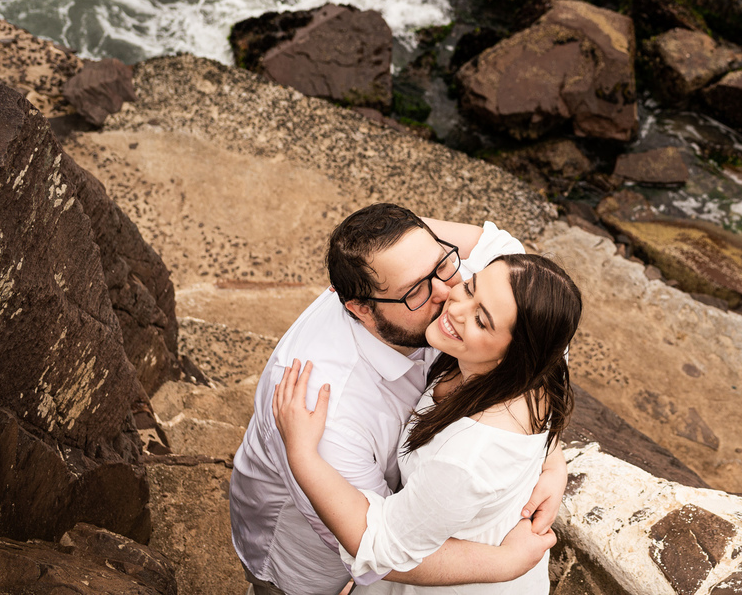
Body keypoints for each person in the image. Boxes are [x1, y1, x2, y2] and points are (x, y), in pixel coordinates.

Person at [230, 204, 565, 595]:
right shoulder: (327, 413)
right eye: (416, 291)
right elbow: (379, 544)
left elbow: (531, 307)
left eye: (443, 265)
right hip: (306, 551)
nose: (448, 295)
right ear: (360, 308)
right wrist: (508, 562)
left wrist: (549, 456)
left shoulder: (466, 292)